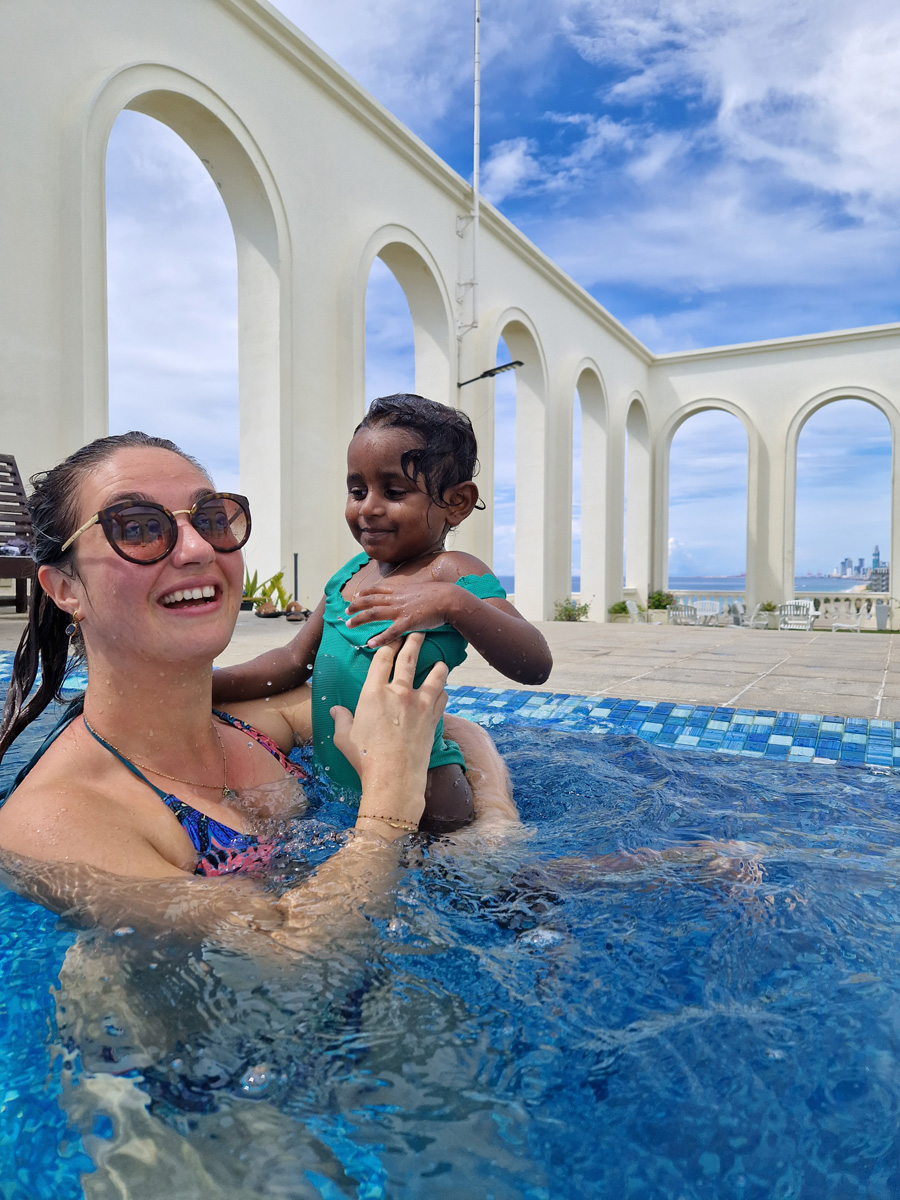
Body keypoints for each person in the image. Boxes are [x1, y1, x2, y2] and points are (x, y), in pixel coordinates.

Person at [0, 431, 516, 947]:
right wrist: (387, 812)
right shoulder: (54, 819)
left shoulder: (248, 723)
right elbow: (287, 953)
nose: (198, 548)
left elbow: (434, 726)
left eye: (211, 518)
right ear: (65, 589)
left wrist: (495, 823)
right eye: (137, 528)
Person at [212, 394, 552, 833]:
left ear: (457, 502)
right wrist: (207, 685)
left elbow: (534, 663)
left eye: (393, 492)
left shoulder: (452, 573)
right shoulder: (351, 575)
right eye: (357, 491)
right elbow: (293, 661)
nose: (368, 508)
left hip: (428, 801)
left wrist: (452, 602)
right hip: (342, 793)